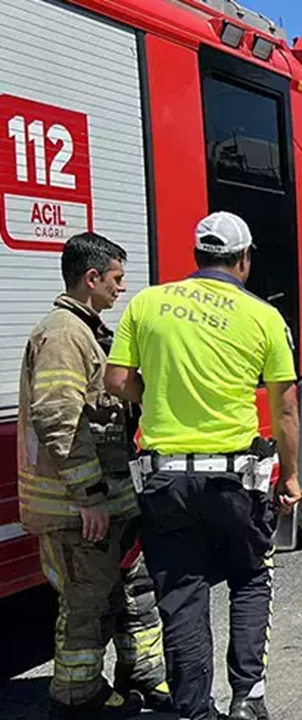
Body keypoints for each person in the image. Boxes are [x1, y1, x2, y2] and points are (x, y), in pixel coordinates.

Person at [104, 211, 302, 720]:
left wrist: (155, 399)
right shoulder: (262, 316)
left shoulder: (146, 303)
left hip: (164, 478)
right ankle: (247, 699)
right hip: (233, 478)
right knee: (251, 576)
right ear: (244, 259)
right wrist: (293, 475)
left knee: (182, 592)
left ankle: (195, 710)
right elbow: (285, 408)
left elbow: (116, 379)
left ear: (196, 257)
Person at [17, 232, 169, 719]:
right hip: (77, 506)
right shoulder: (64, 334)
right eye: (117, 279)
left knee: (130, 591)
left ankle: (139, 672)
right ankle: (78, 698)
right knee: (87, 603)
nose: (121, 288)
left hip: (111, 497)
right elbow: (59, 416)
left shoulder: (87, 330)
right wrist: (88, 495)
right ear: (92, 277)